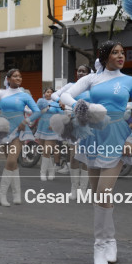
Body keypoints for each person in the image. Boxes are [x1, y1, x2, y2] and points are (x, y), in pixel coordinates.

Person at [60, 41, 132, 264]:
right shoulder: (92, 79)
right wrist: (84, 106)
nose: (120, 56)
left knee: (103, 192)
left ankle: (99, 245)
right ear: (105, 56)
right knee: (98, 195)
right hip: (92, 137)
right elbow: (65, 95)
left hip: (118, 138)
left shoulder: (131, 81)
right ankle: (110, 240)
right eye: (115, 52)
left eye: (122, 52)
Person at [0, 69, 42, 207]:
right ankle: (17, 194)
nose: (18, 78)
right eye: (15, 76)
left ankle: (1, 195)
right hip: (3, 129)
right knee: (12, 164)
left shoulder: (24, 95)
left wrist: (26, 122)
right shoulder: (2, 93)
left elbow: (37, 111)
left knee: (11, 160)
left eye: (20, 76)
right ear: (8, 79)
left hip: (19, 130)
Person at [51, 64, 93, 197]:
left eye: (83, 71)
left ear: (89, 73)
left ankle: (83, 189)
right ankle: (74, 189)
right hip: (74, 124)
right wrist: (60, 101)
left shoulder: (94, 87)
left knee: (86, 157)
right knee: (74, 156)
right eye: (79, 71)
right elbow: (54, 95)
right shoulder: (70, 86)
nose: (80, 73)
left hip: (89, 124)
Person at [35, 88, 61, 181]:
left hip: (52, 129)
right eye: (47, 92)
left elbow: (62, 115)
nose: (49, 94)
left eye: (51, 92)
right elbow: (35, 112)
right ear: (44, 93)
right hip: (42, 128)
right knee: (45, 152)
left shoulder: (57, 103)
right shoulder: (41, 102)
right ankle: (51, 171)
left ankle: (42, 173)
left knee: (46, 151)